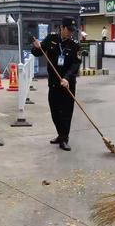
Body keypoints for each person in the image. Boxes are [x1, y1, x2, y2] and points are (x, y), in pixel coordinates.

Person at [31, 17, 81, 151]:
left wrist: (67, 78)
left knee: (66, 113)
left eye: (72, 30)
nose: (71, 33)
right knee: (54, 111)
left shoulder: (74, 44)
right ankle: (60, 134)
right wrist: (36, 46)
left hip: (67, 84)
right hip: (53, 83)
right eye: (69, 30)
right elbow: (37, 53)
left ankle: (64, 139)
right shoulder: (51, 39)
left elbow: (76, 64)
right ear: (62, 28)